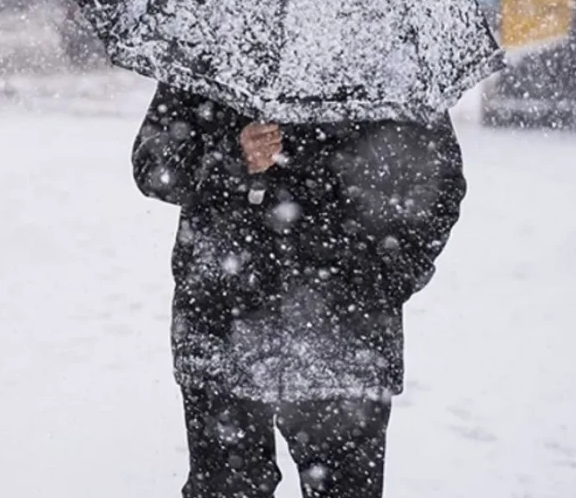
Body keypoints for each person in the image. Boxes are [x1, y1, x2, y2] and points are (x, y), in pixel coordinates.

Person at [132, 83, 467, 498]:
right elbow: (153, 164)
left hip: (345, 337)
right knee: (226, 490)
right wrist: (231, 157)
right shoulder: (215, 43)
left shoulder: (386, 56)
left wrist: (386, 278)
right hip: (224, 325)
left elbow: (439, 183)